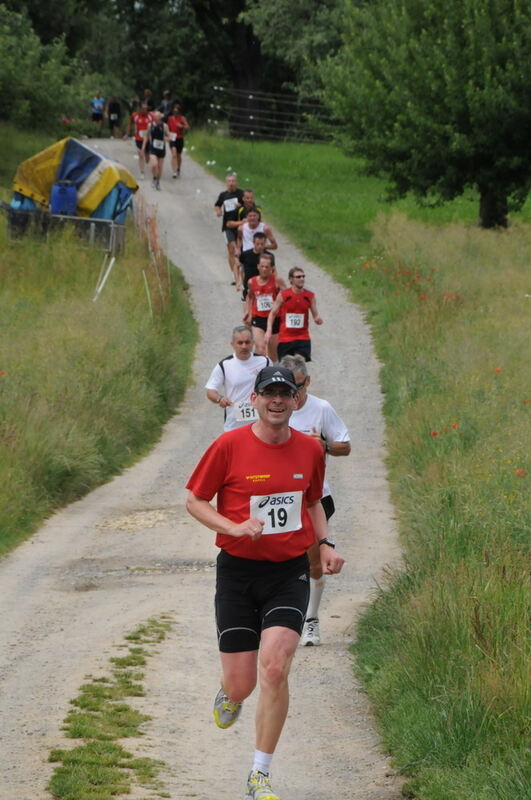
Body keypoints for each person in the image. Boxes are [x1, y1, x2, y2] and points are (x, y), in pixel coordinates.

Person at [186, 365, 345, 800]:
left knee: (275, 666)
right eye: (269, 392)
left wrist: (326, 543)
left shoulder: (311, 450)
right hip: (237, 573)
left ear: (296, 401)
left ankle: (260, 776)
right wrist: (231, 527)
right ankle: (230, 694)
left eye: (285, 393)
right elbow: (195, 501)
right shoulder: (228, 445)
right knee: (243, 684)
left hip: (287, 572)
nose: (277, 400)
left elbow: (313, 501)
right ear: (253, 400)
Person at [280, 354, 351, 646]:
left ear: (308, 381)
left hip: (316, 496)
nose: (294, 396)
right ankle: (279, 619)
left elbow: (345, 446)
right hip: (280, 498)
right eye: (288, 388)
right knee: (279, 560)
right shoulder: (273, 409)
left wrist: (323, 445)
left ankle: (311, 621)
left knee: (312, 561)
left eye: (299, 388)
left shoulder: (321, 409)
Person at [205, 326, 271, 432]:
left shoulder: (265, 362)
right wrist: (220, 399)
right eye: (240, 343)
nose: (244, 346)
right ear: (232, 344)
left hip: (260, 423)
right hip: (234, 425)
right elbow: (210, 390)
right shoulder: (224, 365)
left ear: (253, 343)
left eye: (247, 342)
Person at [265, 267, 323, 362]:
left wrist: (318, 319)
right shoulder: (283, 295)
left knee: (299, 364)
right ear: (291, 279)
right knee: (287, 367)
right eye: (298, 277)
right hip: (285, 338)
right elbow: (272, 313)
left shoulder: (310, 296)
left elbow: (315, 315)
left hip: (303, 337)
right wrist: (269, 330)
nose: (302, 279)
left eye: (303, 276)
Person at [245, 254, 285, 361]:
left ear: (272, 268)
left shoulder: (277, 280)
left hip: (275, 319)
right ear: (258, 266)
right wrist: (248, 313)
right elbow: (249, 297)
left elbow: (287, 296)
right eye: (262, 266)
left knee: (273, 354)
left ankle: (272, 373)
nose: (264, 269)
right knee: (261, 348)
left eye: (267, 267)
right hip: (258, 318)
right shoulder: (251, 282)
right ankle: (260, 373)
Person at [214, 174, 244, 287]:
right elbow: (217, 205)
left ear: (236, 182)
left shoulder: (241, 194)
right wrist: (218, 211)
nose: (231, 183)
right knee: (231, 250)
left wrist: (240, 206)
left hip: (240, 226)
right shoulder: (223, 195)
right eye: (229, 181)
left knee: (241, 250)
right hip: (227, 227)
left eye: (233, 181)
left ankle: (242, 273)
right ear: (226, 183)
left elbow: (247, 206)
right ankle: (234, 275)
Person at [239, 232, 274, 301]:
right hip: (248, 286)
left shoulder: (269, 256)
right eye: (257, 244)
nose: (260, 246)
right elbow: (239, 266)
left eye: (262, 244)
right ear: (253, 243)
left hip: (264, 287)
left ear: (265, 244)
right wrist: (239, 280)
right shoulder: (245, 254)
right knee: (247, 309)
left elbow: (273, 270)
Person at [124, 101, 154, 179]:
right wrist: (127, 134)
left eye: (146, 108)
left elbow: (155, 125)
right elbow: (130, 124)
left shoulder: (151, 116)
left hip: (148, 138)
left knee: (147, 158)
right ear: (140, 108)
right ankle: (142, 172)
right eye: (143, 108)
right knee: (141, 155)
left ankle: (147, 160)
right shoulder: (135, 115)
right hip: (139, 138)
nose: (145, 110)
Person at [143, 110, 169, 190]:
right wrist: (143, 147)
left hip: (161, 148)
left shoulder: (164, 126)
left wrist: (166, 138)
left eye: (158, 116)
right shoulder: (150, 125)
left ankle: (158, 181)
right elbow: (146, 136)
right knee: (154, 164)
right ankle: (154, 178)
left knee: (160, 166)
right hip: (153, 147)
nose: (156, 118)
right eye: (155, 116)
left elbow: (168, 136)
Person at [167, 103, 190, 178]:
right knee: (174, 154)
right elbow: (168, 128)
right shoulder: (170, 118)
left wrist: (182, 126)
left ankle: (178, 169)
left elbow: (188, 127)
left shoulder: (182, 118)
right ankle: (174, 172)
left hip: (180, 138)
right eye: (174, 112)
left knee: (178, 155)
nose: (175, 114)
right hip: (172, 138)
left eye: (176, 112)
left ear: (179, 112)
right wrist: (168, 135)